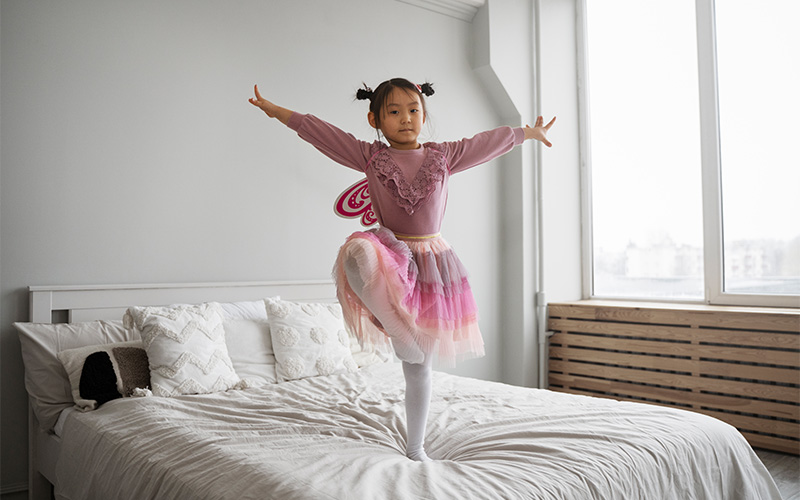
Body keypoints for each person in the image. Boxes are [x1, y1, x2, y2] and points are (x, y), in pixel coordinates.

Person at [249, 78, 554, 461]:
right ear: (375, 118)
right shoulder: (370, 156)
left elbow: (486, 142)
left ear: (424, 114)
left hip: (432, 263)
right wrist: (277, 111)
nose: (406, 119)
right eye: (394, 112)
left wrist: (527, 132)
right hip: (391, 252)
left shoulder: (444, 155)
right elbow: (320, 132)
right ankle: (396, 328)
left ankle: (416, 447)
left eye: (413, 110)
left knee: (419, 367)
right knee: (356, 250)